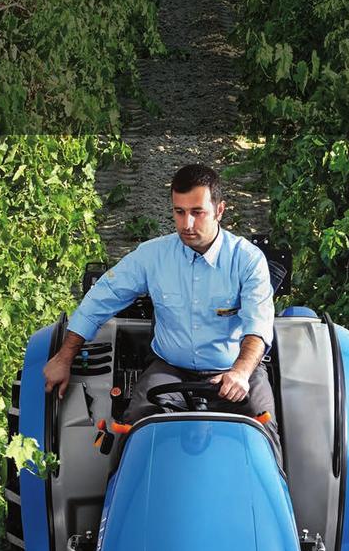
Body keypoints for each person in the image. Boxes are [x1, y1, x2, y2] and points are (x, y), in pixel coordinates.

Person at [43, 163, 281, 463]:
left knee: (264, 428)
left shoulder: (247, 260)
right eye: (179, 212)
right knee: (132, 430)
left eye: (197, 212)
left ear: (220, 210)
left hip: (234, 372)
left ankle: (273, 503)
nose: (187, 224)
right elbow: (100, 299)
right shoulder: (153, 255)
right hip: (170, 369)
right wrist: (64, 357)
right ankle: (119, 505)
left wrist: (241, 373)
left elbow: (258, 325)